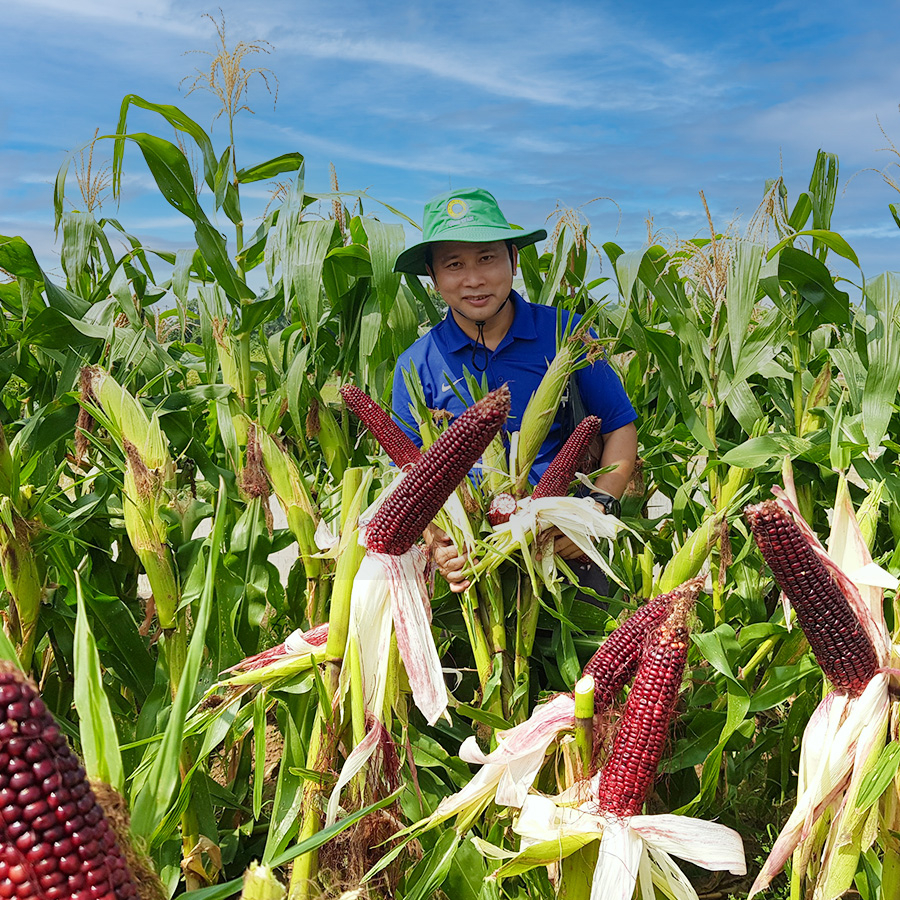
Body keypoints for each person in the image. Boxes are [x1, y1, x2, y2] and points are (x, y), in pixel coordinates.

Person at [391, 187, 637, 593]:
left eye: (487, 258)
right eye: (454, 264)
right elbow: (406, 470)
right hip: (471, 559)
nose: (474, 279)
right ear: (433, 278)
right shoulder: (416, 364)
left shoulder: (567, 334)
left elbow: (619, 427)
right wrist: (436, 540)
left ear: (514, 259)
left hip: (565, 545)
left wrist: (597, 510)